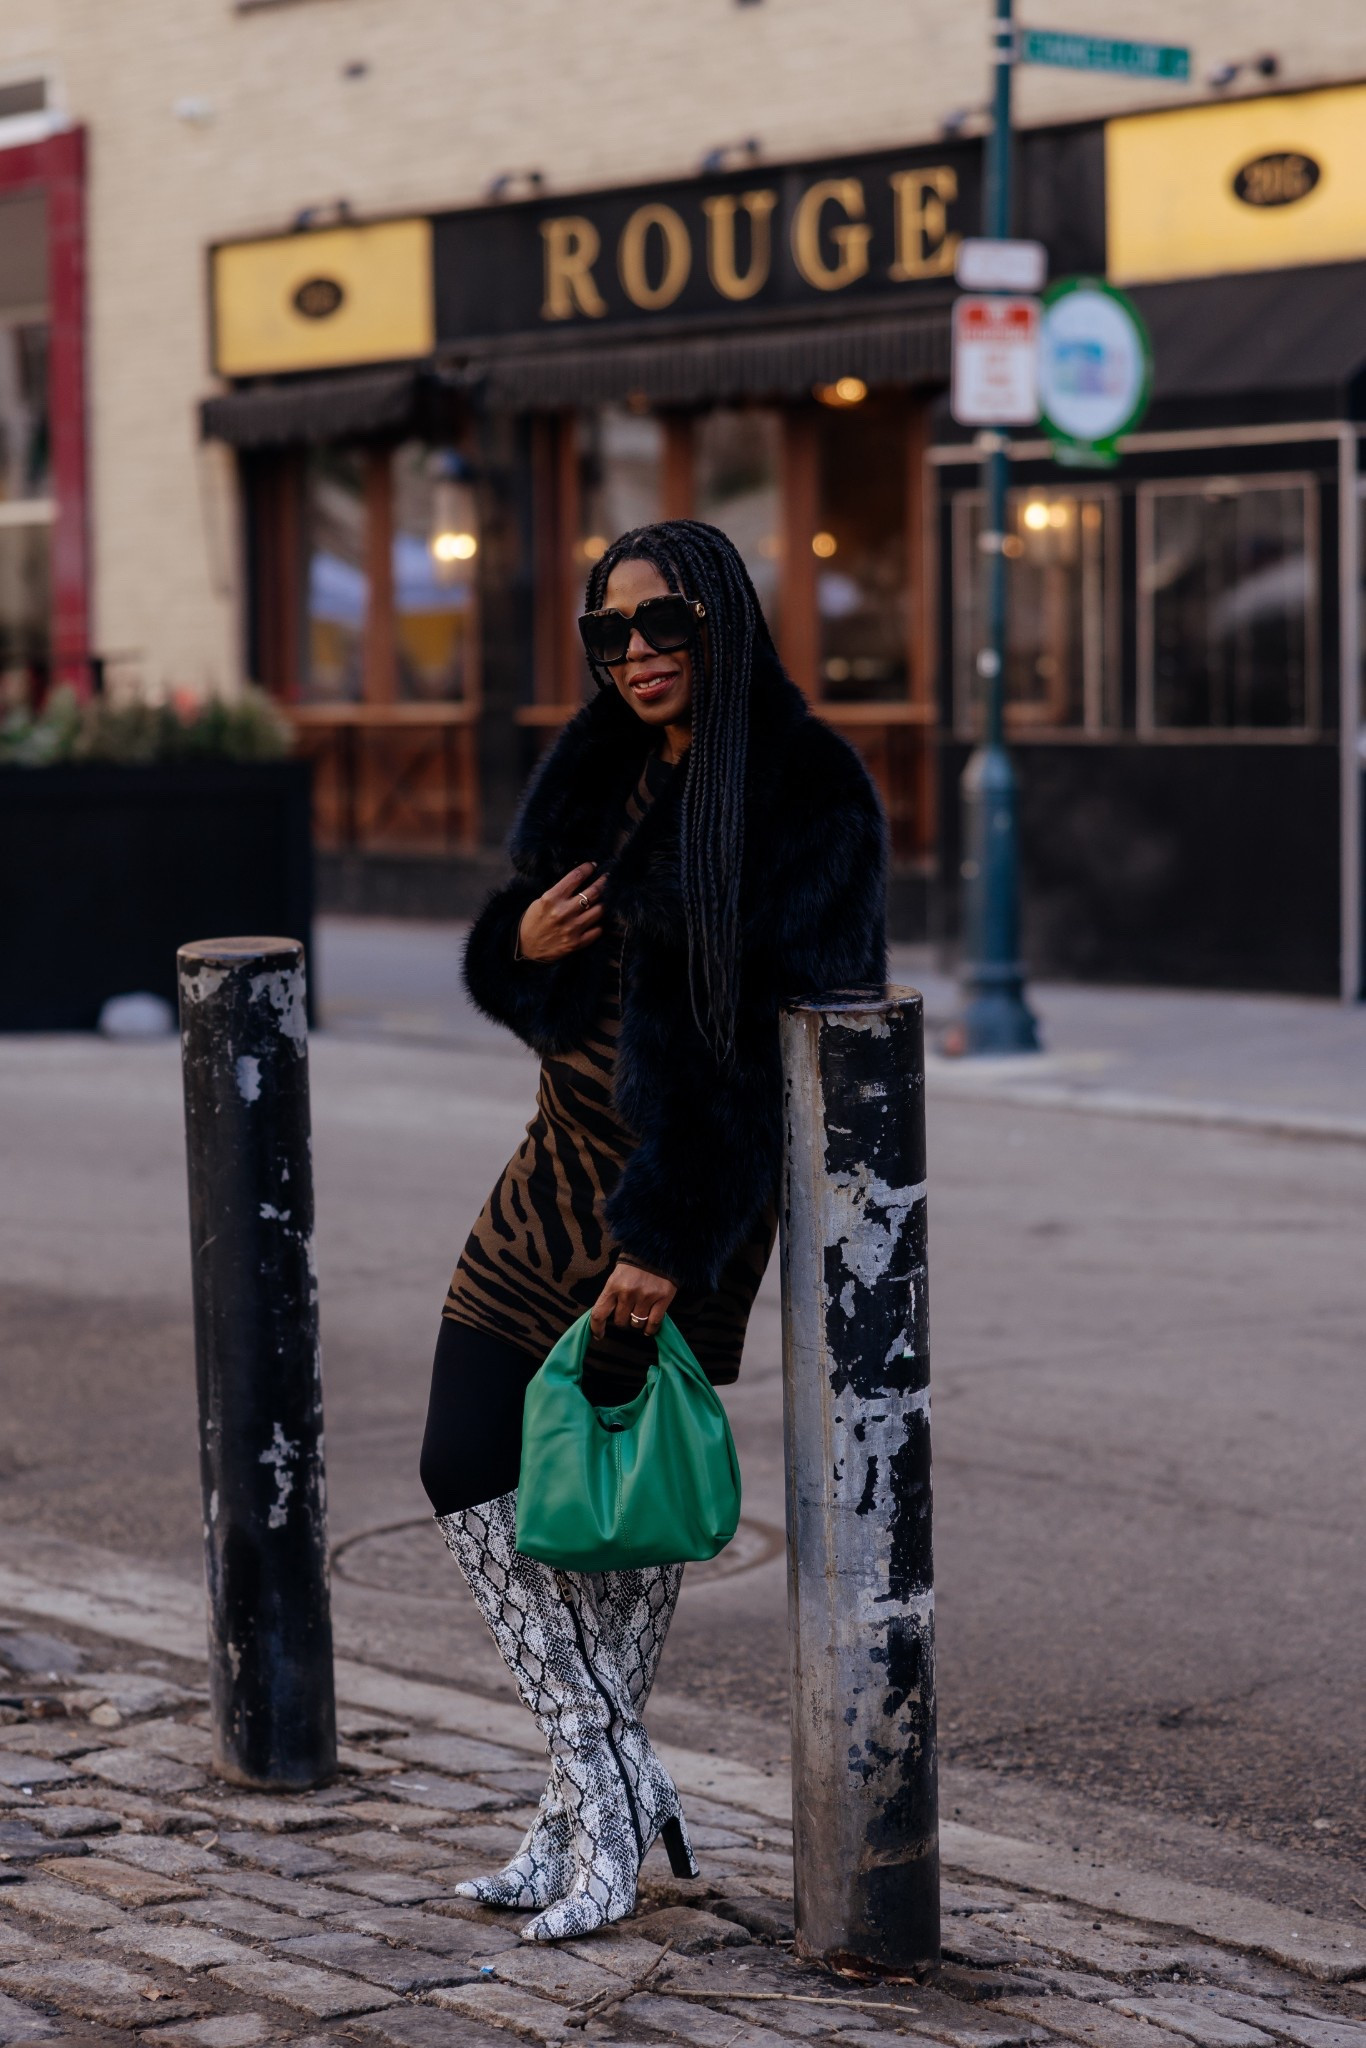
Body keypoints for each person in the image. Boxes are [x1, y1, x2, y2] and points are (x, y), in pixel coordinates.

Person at [420, 518, 887, 1942]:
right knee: (463, 1463)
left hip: (675, 1207)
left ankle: (585, 1814)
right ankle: (609, 1780)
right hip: (548, 1179)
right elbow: (535, 982)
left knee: (610, 1532)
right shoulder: (603, 773)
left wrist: (670, 1239)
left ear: (720, 620)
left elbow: (775, 1058)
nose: (635, 653)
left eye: (661, 623)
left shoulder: (804, 795)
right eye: (607, 632)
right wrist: (519, 953)